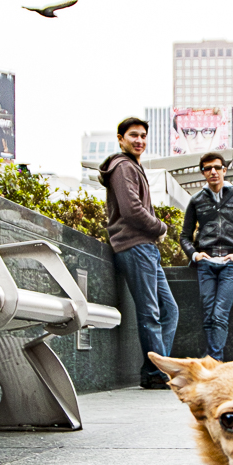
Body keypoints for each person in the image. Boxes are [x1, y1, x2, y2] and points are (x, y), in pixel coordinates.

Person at [100, 117, 179, 389]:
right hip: (134, 246)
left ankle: (154, 368)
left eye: (143, 136)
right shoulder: (122, 167)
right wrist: (160, 227)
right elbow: (132, 209)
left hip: (146, 248)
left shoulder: (133, 166)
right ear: (120, 138)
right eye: (133, 135)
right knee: (150, 313)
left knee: (170, 310)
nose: (139, 140)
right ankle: (158, 373)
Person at [180, 152, 233, 361]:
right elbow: (184, 236)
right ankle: (213, 361)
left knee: (219, 314)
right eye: (207, 168)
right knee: (208, 315)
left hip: (231, 265)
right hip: (206, 264)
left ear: (224, 170)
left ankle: (215, 361)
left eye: (217, 167)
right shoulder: (196, 200)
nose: (213, 172)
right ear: (203, 173)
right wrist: (194, 254)